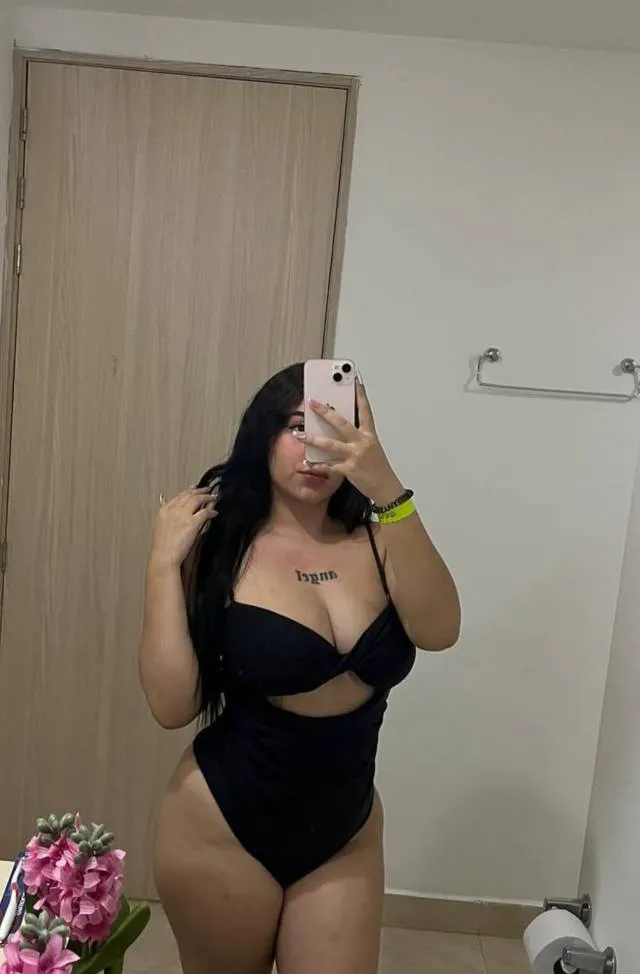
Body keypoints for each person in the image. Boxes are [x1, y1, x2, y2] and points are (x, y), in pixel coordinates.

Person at [139, 363, 460, 974]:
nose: (315, 446)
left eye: (334, 427)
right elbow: (172, 706)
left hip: (345, 829)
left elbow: (441, 631)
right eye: (296, 425)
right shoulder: (218, 545)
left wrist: (386, 485)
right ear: (262, 434)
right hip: (223, 822)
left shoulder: (380, 541)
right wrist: (160, 564)